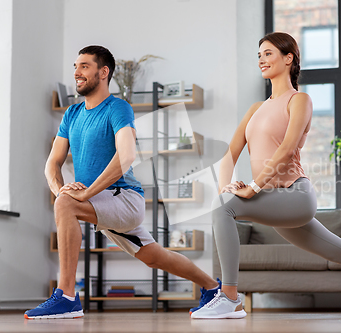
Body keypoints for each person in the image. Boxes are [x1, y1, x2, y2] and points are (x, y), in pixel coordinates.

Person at [190, 32, 341, 319]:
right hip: (272, 198)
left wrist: (252, 187)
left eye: (269, 53)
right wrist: (228, 186)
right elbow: (230, 154)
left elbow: (287, 149)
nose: (261, 59)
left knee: (223, 210)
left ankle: (231, 297)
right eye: (259, 54)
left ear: (289, 58)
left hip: (295, 195)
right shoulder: (255, 109)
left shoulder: (299, 100)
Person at [25, 45, 220, 319]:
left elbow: (126, 156)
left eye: (84, 66)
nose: (76, 73)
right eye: (75, 67)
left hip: (124, 198)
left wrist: (83, 194)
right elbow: (52, 163)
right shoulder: (72, 114)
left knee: (67, 205)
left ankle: (67, 296)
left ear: (103, 72)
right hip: (100, 201)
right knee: (153, 256)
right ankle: (213, 288)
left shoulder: (118, 108)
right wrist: (62, 191)